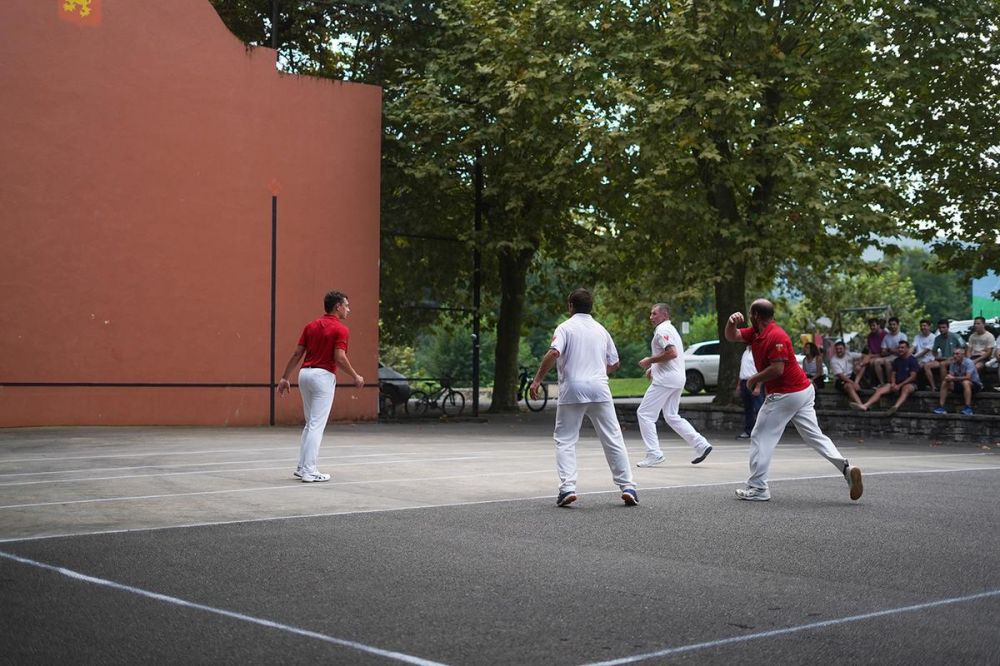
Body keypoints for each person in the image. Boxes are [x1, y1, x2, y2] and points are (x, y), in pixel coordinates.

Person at [724, 299, 863, 502]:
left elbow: (778, 369)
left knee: (760, 436)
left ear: (755, 315)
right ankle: (846, 468)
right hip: (802, 392)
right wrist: (731, 322)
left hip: (786, 394)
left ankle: (758, 487)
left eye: (750, 314)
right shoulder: (756, 332)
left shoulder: (776, 336)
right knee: (814, 436)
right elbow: (732, 336)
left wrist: (754, 378)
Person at [529, 288, 638, 507]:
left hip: (572, 388)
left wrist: (537, 380)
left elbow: (553, 353)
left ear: (571, 306)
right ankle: (628, 486)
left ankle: (568, 488)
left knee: (566, 439)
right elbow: (614, 363)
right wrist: (596, 374)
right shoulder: (600, 330)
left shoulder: (565, 328)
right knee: (613, 437)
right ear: (591, 307)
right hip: (599, 388)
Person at [277, 290, 364, 483]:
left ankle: (302, 467)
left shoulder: (311, 326)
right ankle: (309, 470)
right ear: (338, 306)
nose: (349, 309)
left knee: (310, 424)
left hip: (304, 375)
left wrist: (284, 377)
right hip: (322, 377)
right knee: (317, 424)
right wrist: (355, 375)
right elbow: (339, 358)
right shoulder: (341, 329)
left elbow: (297, 354)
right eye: (347, 305)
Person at [633, 303, 713, 467]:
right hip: (676, 378)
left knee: (644, 414)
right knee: (671, 415)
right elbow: (671, 354)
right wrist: (653, 367)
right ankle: (701, 444)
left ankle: (654, 454)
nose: (651, 317)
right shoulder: (670, 329)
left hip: (666, 380)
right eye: (651, 314)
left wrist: (649, 360)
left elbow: (672, 353)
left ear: (664, 315)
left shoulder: (663, 330)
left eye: (654, 314)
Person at [851, 340, 920, 415]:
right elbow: (893, 374)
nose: (900, 349)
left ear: (907, 348)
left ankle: (895, 407)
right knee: (880, 390)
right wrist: (893, 383)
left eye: (902, 348)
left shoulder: (913, 360)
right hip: (896, 384)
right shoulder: (897, 360)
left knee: (906, 389)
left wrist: (899, 385)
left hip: (910, 384)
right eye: (899, 348)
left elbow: (913, 377)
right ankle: (865, 406)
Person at [933, 347, 982, 416]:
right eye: (953, 354)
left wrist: (953, 378)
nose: (955, 356)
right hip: (960, 384)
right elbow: (951, 376)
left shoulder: (969, 362)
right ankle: (941, 407)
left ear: (963, 355)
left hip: (974, 384)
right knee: (945, 382)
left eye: (957, 354)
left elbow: (968, 377)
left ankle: (968, 408)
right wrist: (948, 378)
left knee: (965, 382)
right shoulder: (953, 363)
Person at [926, 319, 965, 387]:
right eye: (940, 328)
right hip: (943, 358)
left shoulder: (956, 336)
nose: (941, 329)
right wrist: (936, 357)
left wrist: (960, 357)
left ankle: (944, 385)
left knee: (943, 364)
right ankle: (933, 386)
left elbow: (965, 347)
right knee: (927, 366)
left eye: (943, 327)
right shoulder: (937, 338)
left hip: (954, 358)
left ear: (948, 327)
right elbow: (934, 350)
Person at [736, 346, 764, 439]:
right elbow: (742, 369)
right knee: (748, 409)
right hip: (744, 381)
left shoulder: (757, 351)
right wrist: (739, 384)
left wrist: (758, 386)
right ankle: (749, 431)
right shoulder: (745, 352)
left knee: (759, 408)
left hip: (754, 381)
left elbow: (761, 370)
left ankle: (762, 431)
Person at [871, 317, 907, 386]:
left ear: (898, 325)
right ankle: (882, 383)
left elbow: (902, 350)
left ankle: (889, 383)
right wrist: (892, 350)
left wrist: (890, 350)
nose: (892, 326)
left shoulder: (902, 336)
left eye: (894, 324)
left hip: (899, 357)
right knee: (876, 361)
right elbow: (883, 351)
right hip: (889, 356)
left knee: (887, 362)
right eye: (890, 324)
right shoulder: (886, 337)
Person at [829, 340, 864, 408]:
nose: (839, 350)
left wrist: (860, 363)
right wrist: (853, 383)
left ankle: (856, 387)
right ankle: (861, 405)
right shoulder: (833, 360)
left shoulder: (849, 354)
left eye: (840, 349)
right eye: (837, 349)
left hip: (852, 376)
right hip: (841, 380)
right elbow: (841, 376)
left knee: (863, 366)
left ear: (844, 349)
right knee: (849, 386)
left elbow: (865, 356)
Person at [858, 318, 886, 386]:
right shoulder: (870, 336)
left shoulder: (885, 335)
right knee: (858, 361)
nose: (872, 327)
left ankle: (875, 382)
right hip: (873, 355)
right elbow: (870, 350)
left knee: (871, 362)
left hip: (883, 355)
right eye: (870, 326)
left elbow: (884, 353)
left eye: (873, 325)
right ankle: (863, 381)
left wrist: (870, 356)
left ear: (878, 325)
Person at [911, 319, 937, 390]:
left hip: (929, 359)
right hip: (918, 359)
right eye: (921, 326)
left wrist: (913, 357)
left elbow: (925, 351)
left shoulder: (933, 337)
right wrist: (908, 355)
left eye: (924, 326)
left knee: (919, 366)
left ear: (929, 327)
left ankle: (931, 387)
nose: (923, 327)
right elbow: (913, 347)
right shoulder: (917, 337)